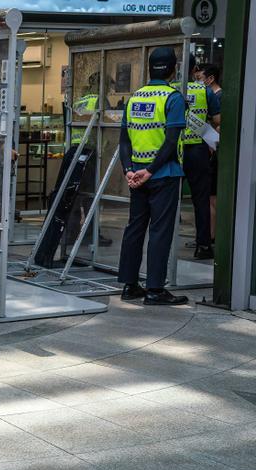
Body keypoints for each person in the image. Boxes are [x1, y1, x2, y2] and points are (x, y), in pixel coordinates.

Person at [117, 47, 188, 306]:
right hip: (162, 175)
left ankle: (129, 285)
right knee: (160, 231)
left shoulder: (135, 97)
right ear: (173, 69)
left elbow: (124, 140)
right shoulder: (173, 98)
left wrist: (129, 170)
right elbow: (171, 142)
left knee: (135, 228)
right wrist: (151, 170)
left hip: (136, 175)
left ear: (150, 68)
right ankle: (155, 290)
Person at [175, 55, 220, 260]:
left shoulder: (170, 90)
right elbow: (218, 120)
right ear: (195, 69)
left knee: (167, 199)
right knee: (200, 199)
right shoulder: (204, 90)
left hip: (172, 151)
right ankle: (203, 245)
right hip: (197, 151)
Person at [195, 63, 221, 243]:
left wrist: (212, 143)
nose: (196, 83)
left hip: (213, 152)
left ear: (210, 79)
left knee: (211, 198)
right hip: (207, 150)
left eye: (199, 79)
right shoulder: (207, 95)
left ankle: (211, 237)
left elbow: (219, 123)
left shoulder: (217, 96)